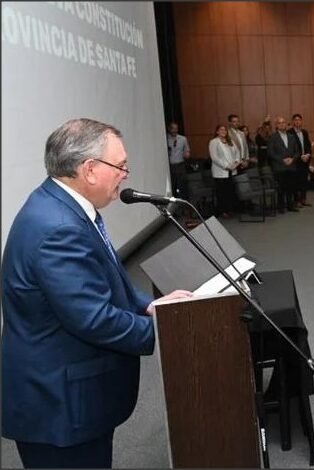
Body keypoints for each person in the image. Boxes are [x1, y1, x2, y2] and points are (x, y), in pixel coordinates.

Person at [1, 118, 192, 468]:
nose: (125, 174)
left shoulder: (64, 206)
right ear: (89, 169)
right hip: (61, 406)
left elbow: (108, 282)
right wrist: (173, 325)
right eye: (120, 166)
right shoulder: (58, 228)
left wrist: (152, 307)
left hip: (69, 392)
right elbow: (94, 319)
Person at [268, 116, 299, 213]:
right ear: (276, 125)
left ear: (286, 124)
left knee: (291, 187)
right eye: (279, 123)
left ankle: (290, 206)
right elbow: (270, 153)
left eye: (284, 122)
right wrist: (282, 160)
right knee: (281, 188)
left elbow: (297, 151)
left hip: (291, 166)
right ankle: (280, 207)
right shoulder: (273, 137)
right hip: (279, 166)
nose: (282, 124)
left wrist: (292, 159)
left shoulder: (292, 137)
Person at [208, 124, 240, 218]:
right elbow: (214, 157)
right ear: (217, 131)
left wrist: (236, 162)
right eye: (221, 130)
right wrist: (226, 166)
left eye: (225, 130)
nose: (223, 131)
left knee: (230, 191)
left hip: (232, 170)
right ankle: (223, 211)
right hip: (221, 172)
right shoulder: (214, 142)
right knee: (221, 192)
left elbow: (237, 152)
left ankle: (230, 209)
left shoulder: (230, 141)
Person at [166, 121, 191, 200]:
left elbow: (187, 150)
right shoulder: (165, 138)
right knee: (173, 185)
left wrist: (187, 154)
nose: (175, 130)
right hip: (170, 166)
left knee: (183, 185)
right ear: (169, 129)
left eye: (176, 129)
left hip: (180, 164)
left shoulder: (183, 139)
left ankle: (184, 204)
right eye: (173, 129)